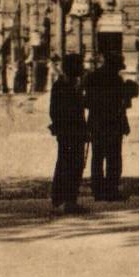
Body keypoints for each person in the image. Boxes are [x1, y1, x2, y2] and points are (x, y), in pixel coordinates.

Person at [84, 49, 135, 201]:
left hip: (97, 122)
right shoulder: (116, 80)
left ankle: (98, 191)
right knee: (113, 158)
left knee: (98, 157)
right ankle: (111, 190)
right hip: (112, 123)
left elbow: (86, 101)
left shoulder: (92, 77)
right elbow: (123, 105)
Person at [49, 53, 87, 213]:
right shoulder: (62, 86)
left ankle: (64, 198)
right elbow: (56, 110)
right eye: (79, 65)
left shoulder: (70, 85)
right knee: (70, 163)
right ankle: (66, 200)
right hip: (70, 131)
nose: (82, 68)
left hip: (72, 131)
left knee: (72, 163)